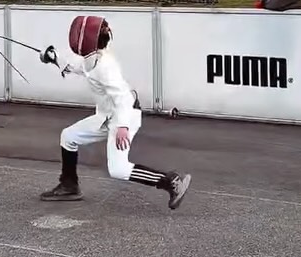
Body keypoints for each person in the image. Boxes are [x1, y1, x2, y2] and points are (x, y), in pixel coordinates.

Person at [40, 14, 191, 207]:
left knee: (118, 169)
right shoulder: (94, 57)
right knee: (68, 137)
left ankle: (171, 181)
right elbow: (80, 67)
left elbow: (123, 98)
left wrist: (122, 126)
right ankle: (69, 186)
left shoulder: (106, 67)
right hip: (106, 117)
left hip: (124, 116)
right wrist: (55, 58)